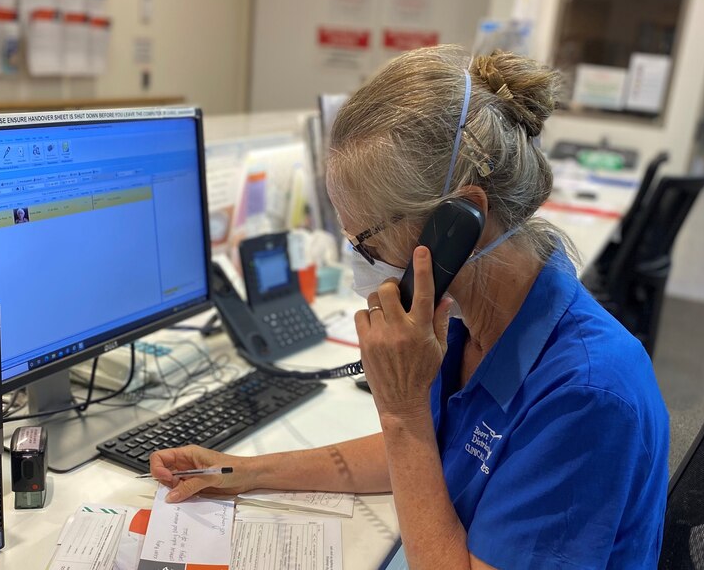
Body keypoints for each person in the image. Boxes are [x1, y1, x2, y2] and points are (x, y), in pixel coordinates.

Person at [150, 46, 669, 569]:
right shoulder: (471, 314)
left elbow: (415, 441)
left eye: (368, 245)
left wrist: (401, 411)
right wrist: (242, 472)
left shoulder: (586, 394)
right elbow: (432, 452)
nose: (362, 268)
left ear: (459, 224)